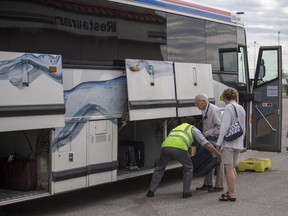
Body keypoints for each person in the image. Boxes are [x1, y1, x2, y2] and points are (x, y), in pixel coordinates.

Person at [146, 117, 221, 199]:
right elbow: (206, 144)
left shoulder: (177, 128)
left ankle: (151, 191)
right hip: (180, 148)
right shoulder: (193, 129)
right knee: (188, 167)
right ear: (194, 124)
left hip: (166, 147)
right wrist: (218, 154)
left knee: (160, 168)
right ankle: (186, 193)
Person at [216, 87, 246, 202]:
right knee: (232, 168)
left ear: (225, 97)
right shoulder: (241, 108)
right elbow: (243, 126)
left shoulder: (228, 107)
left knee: (228, 168)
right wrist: (241, 139)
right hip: (238, 142)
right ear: (235, 97)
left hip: (228, 143)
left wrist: (219, 143)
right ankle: (231, 191)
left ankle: (232, 194)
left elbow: (224, 127)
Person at [194, 93, 224, 193]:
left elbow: (220, 127)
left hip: (216, 139)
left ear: (204, 102)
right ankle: (208, 184)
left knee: (218, 161)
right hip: (210, 138)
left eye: (197, 102)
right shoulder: (205, 110)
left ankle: (219, 186)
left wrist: (206, 133)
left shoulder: (213, 110)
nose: (196, 105)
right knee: (208, 160)